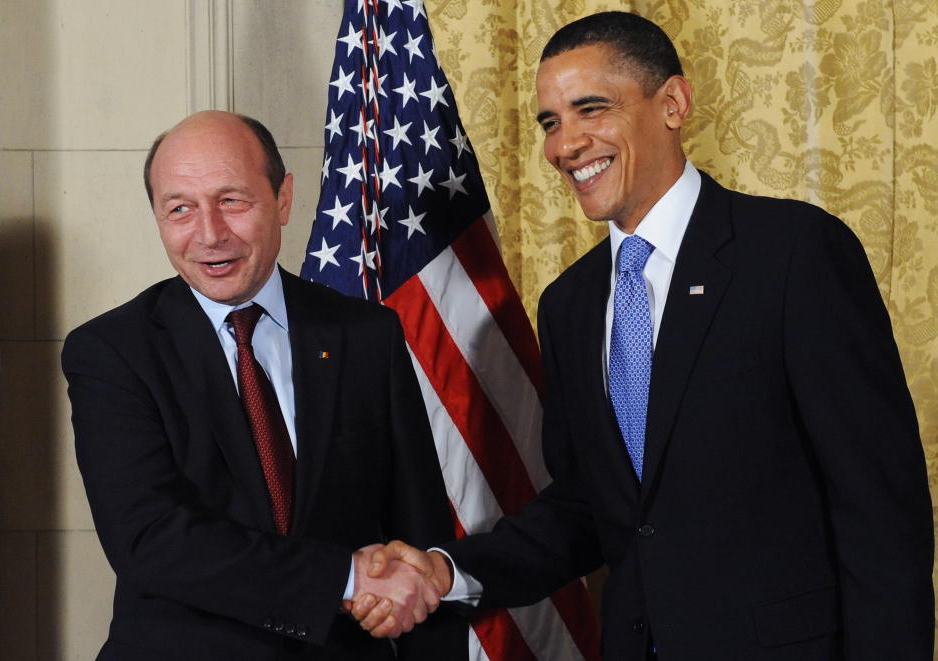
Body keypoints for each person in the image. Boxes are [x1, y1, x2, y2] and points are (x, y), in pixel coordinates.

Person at [350, 11, 935, 661]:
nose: (565, 144)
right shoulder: (570, 304)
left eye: (589, 109)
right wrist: (445, 570)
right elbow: (585, 509)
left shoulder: (793, 255)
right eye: (550, 122)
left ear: (674, 103)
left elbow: (880, 512)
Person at [62, 110, 465, 661]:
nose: (209, 233)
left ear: (283, 198)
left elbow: (417, 533)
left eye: (232, 200)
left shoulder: (365, 334)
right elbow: (150, 540)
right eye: (179, 208)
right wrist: (345, 579)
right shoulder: (112, 352)